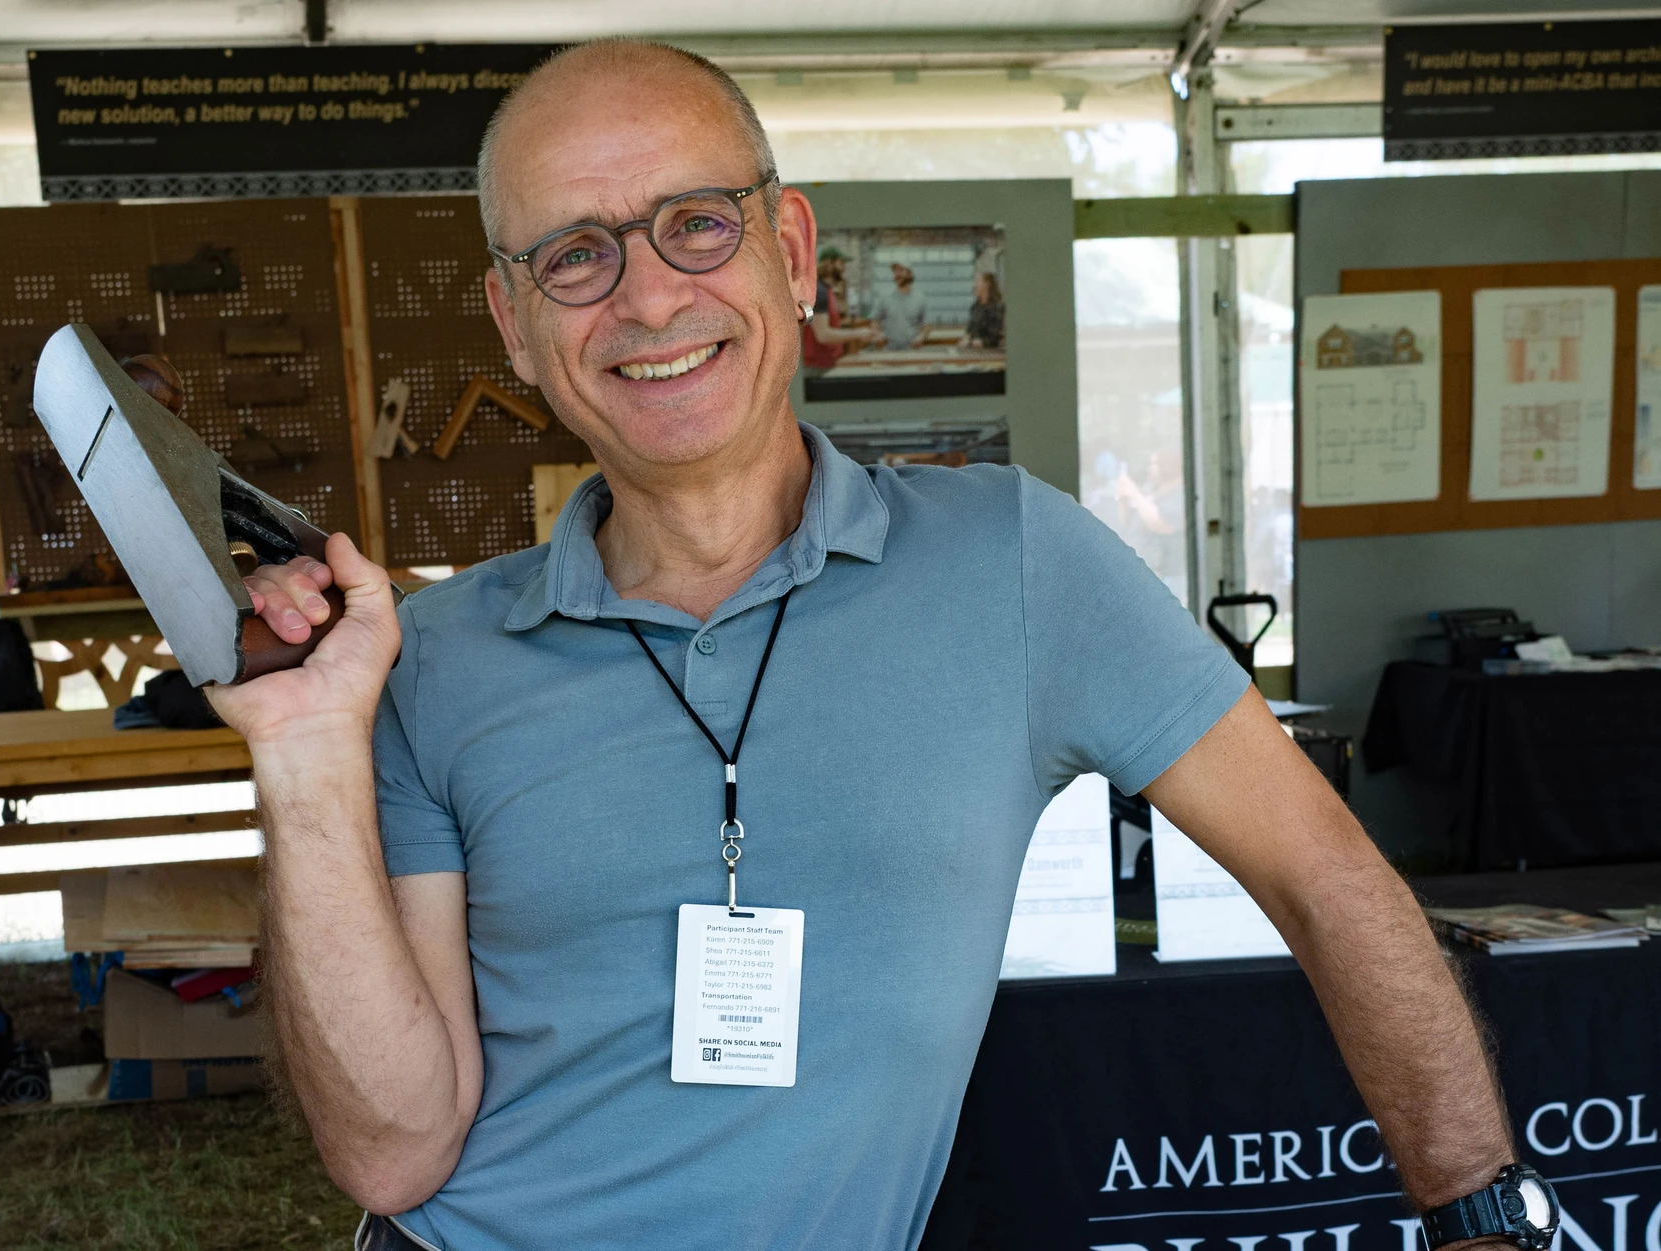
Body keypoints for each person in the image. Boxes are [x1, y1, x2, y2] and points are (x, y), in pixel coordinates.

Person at [214, 38, 1520, 1251]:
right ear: (513, 322)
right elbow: (392, 1151)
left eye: (696, 223)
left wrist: (1481, 1209)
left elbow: (1325, 873)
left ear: (789, 247)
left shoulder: (1015, 561)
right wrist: (308, 754)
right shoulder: (433, 653)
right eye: (573, 255)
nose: (651, 297)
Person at [801, 245, 881, 368]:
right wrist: (859, 333)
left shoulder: (826, 291)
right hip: (816, 366)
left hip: (826, 363)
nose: (844, 268)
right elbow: (823, 335)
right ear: (829, 263)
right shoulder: (819, 291)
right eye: (841, 263)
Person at [872, 262, 929, 349]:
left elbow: (927, 326)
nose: (897, 274)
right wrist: (878, 334)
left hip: (911, 350)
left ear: (910, 274)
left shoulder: (920, 298)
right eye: (895, 271)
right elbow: (875, 321)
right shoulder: (884, 297)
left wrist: (921, 337)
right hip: (888, 350)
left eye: (901, 270)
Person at [961, 267, 1005, 349]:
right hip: (974, 350)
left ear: (987, 284)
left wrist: (981, 342)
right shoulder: (975, 306)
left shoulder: (996, 307)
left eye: (977, 281)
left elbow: (995, 337)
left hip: (991, 352)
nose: (974, 285)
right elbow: (970, 329)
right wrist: (966, 338)